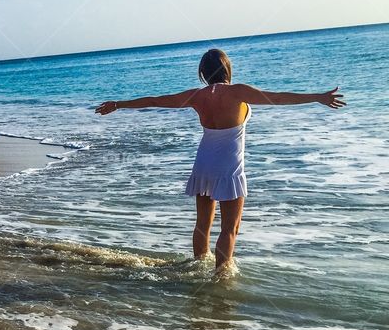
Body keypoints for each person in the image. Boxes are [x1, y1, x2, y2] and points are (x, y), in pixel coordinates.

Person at [95, 49, 345, 272]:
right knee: (229, 228)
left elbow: (154, 101)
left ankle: (197, 266)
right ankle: (221, 277)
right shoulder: (238, 92)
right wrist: (316, 97)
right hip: (229, 166)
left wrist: (118, 104)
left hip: (203, 163)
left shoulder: (196, 96)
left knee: (202, 224)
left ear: (203, 73)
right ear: (227, 68)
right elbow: (277, 98)